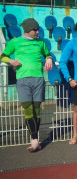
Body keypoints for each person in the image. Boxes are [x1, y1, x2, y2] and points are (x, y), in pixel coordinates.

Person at [1, 18, 53, 152]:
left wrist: (49, 59)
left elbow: (47, 54)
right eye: (35, 30)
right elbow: (3, 56)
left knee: (36, 109)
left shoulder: (41, 42)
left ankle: (34, 140)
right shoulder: (15, 42)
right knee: (28, 110)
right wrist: (11, 61)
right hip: (22, 79)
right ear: (27, 31)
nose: (37, 32)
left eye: (38, 29)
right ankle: (35, 139)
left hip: (38, 78)